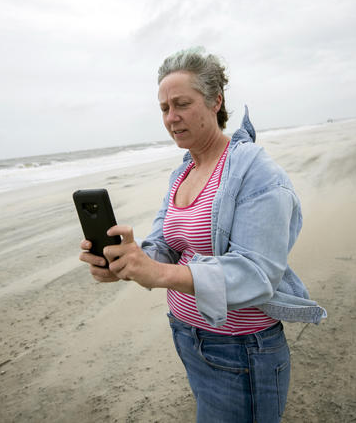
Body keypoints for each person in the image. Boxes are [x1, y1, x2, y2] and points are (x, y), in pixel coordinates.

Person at [79, 47, 326, 423]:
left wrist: (161, 275)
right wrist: (128, 261)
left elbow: (257, 273)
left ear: (215, 101)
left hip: (241, 349)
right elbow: (163, 245)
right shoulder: (182, 172)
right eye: (164, 108)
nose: (171, 117)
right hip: (188, 336)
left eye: (181, 104)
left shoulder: (256, 171)